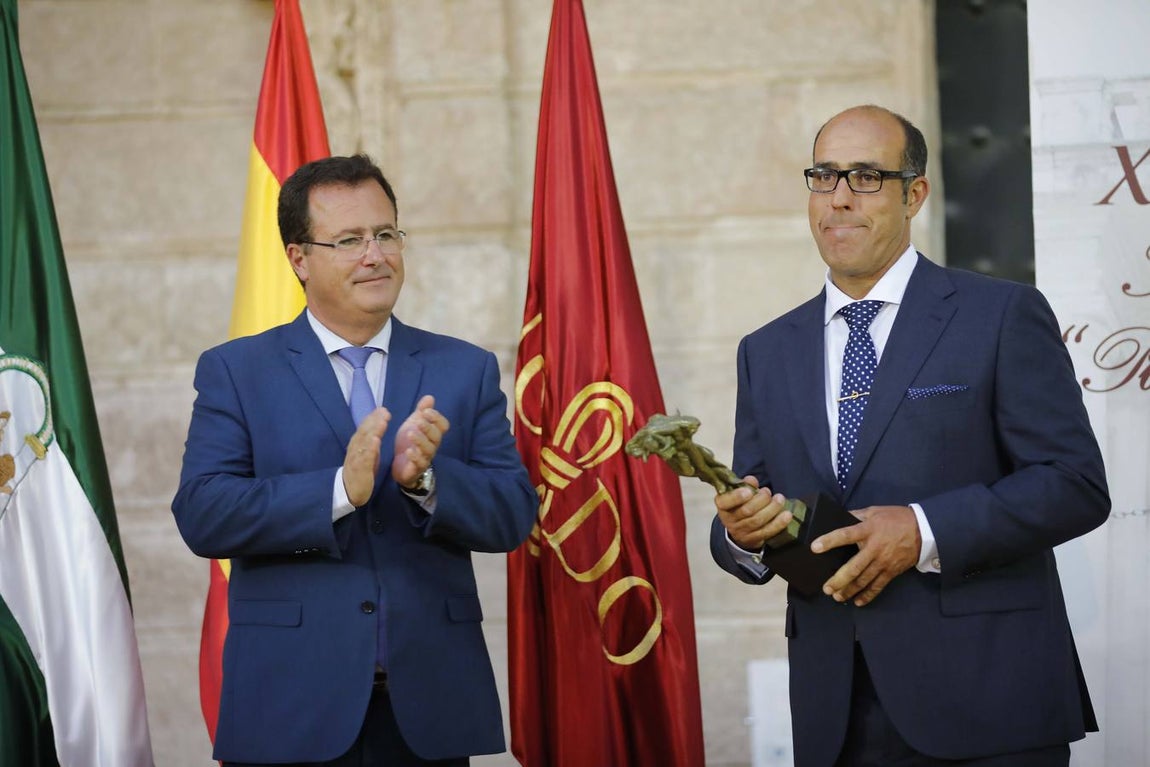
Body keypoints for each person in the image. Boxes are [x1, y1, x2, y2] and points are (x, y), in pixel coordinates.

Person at [710, 105, 1109, 767]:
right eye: (824, 176)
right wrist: (742, 533)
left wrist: (923, 530)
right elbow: (759, 496)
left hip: (989, 706)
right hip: (833, 715)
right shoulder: (767, 350)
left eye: (866, 176)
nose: (839, 198)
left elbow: (1074, 484)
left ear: (914, 193)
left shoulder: (1001, 315)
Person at [172, 154, 538, 766]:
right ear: (298, 258)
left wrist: (425, 480)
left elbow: (512, 515)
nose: (376, 255)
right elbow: (204, 513)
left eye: (386, 234)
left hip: (427, 709)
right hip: (288, 707)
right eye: (348, 240)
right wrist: (340, 489)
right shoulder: (237, 371)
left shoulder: (463, 368)